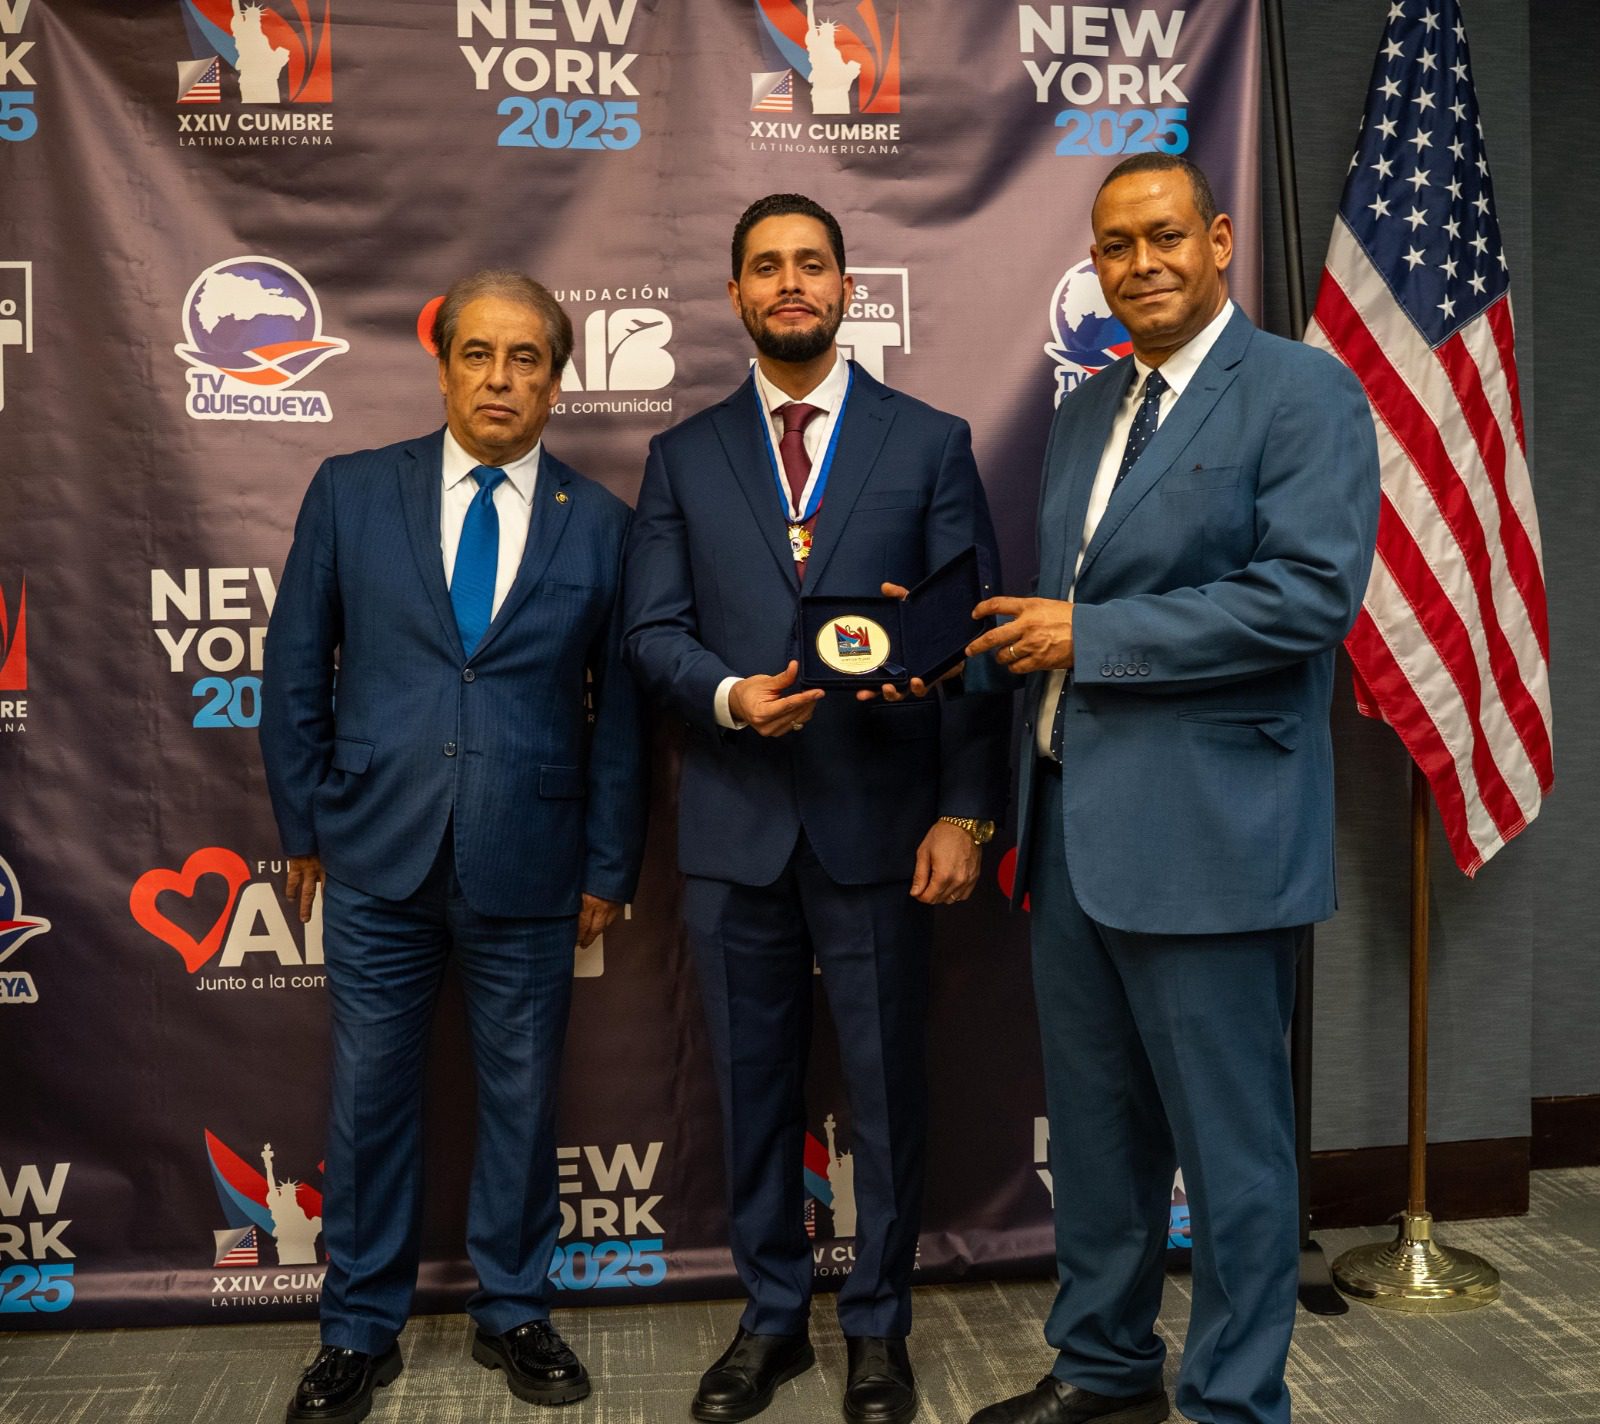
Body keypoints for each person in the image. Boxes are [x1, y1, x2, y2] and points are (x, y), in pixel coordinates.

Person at [964, 155, 1379, 1424]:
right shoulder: (1088, 406)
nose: (1139, 264)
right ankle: (1103, 1365)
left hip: (1213, 837)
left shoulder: (1303, 389)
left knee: (1231, 1153)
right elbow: (1065, 605)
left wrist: (1091, 635)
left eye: (1162, 237)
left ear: (1217, 239)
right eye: (1114, 245)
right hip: (1071, 829)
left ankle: (1234, 1400)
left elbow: (1308, 594)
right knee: (1097, 1136)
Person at [623, 193, 1008, 1424]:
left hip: (881, 822)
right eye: (765, 266)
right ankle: (772, 1318)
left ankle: (879, 1327)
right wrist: (730, 696)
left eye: (810, 263)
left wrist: (964, 812)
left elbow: (973, 643)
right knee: (751, 1089)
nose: (789, 282)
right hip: (736, 824)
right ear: (735, 293)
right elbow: (651, 631)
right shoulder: (684, 456)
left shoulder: (928, 441)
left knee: (887, 1092)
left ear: (846, 286)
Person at [259, 270, 646, 1424]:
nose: (499, 378)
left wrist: (609, 862)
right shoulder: (351, 491)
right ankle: (356, 1327)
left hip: (530, 858)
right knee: (369, 1099)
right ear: (442, 367)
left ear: (556, 382)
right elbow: (294, 667)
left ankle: (514, 1308)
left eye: (526, 359)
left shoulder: (602, 523)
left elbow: (622, 716)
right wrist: (305, 823)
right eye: (478, 353)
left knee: (522, 1101)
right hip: (375, 853)